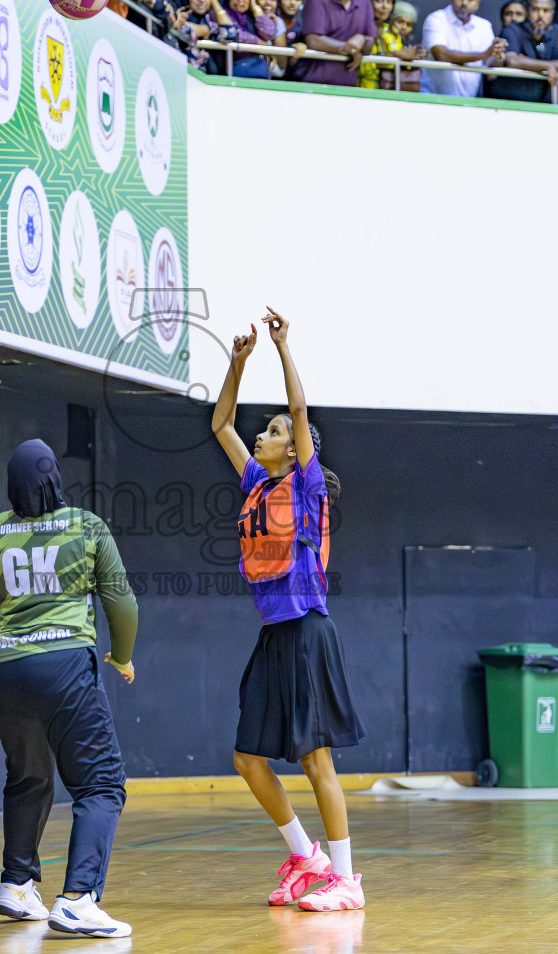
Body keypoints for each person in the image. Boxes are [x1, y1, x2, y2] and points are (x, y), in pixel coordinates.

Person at [211, 307, 366, 914]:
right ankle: (307, 856)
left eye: (272, 431)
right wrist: (237, 362)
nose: (262, 435)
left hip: (307, 632)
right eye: (268, 431)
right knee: (248, 758)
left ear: (293, 446)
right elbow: (220, 420)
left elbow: (301, 413)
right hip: (273, 636)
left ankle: (347, 881)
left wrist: (281, 348)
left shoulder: (306, 488)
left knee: (314, 758)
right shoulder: (255, 483)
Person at [0, 439, 141, 939]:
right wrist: (122, 657)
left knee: (29, 776)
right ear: (54, 480)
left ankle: (17, 884)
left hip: (3, 670)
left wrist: (0, 664)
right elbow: (121, 602)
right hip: (64, 665)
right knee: (101, 783)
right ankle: (78, 898)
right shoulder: (85, 526)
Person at [294, 0, 377, 88]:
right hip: (314, 84)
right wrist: (348, 48)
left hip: (349, 85)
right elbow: (313, 40)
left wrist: (362, 40)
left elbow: (370, 43)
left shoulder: (365, 3)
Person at [422, 0, 506, 97]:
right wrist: (483, 55)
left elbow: (490, 63)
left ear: (478, 2)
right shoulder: (436, 19)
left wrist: (498, 53)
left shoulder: (484, 25)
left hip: (470, 101)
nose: (464, 2)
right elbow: (441, 55)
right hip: (431, 98)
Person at [222, 0, 279, 78]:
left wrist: (254, 7)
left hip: (258, 72)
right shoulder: (221, 14)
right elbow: (233, 33)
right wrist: (259, 43)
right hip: (229, 73)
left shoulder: (253, 17)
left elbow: (269, 34)